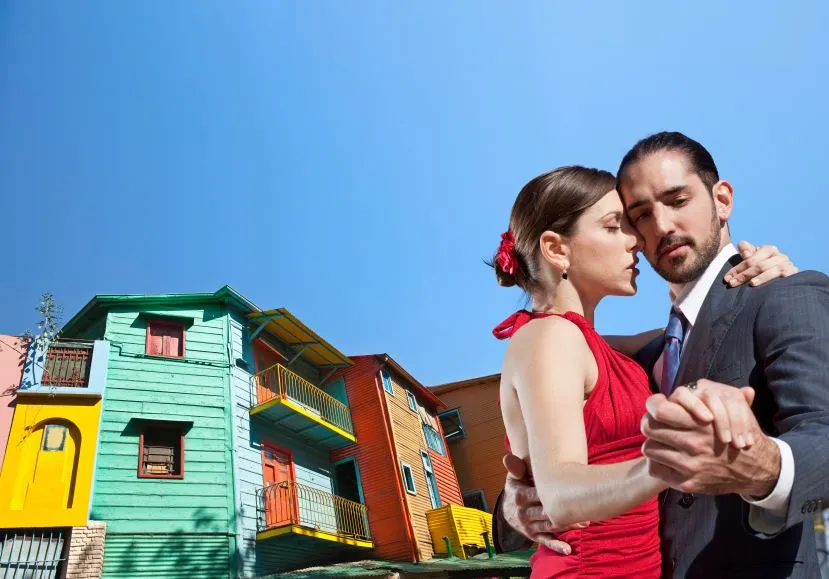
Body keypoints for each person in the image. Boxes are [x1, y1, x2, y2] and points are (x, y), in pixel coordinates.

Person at [493, 132, 829, 578]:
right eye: (636, 217)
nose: (657, 228)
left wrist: (765, 468)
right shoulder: (630, 350)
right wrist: (515, 499)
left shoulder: (779, 295)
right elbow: (551, 424)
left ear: (722, 199)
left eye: (677, 200)